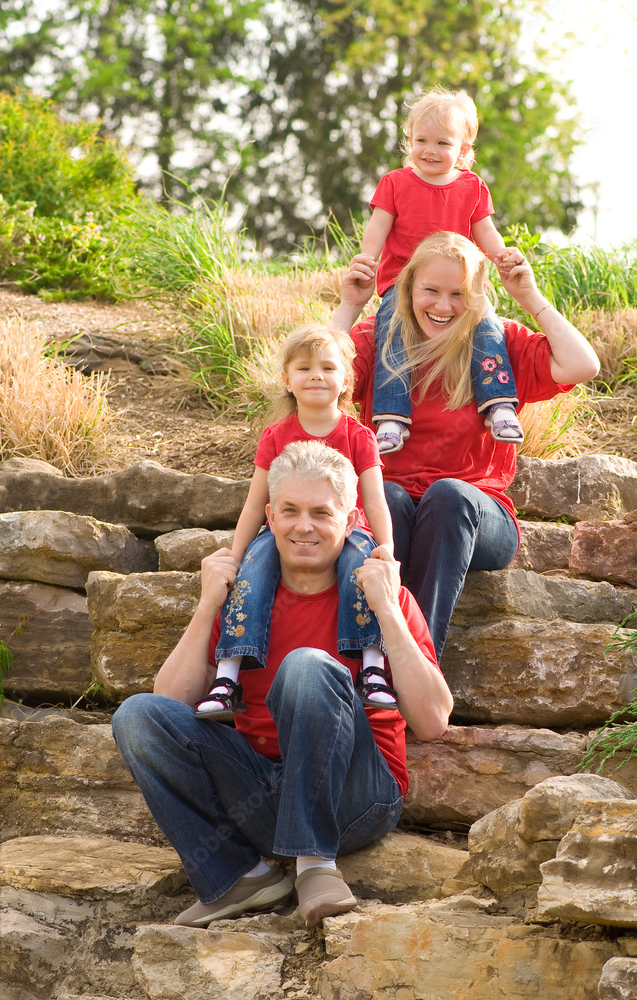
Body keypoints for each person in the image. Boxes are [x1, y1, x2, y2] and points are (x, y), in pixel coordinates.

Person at [111, 440, 453, 929]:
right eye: (290, 511)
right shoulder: (243, 602)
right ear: (269, 516)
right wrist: (208, 603)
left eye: (321, 512)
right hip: (263, 791)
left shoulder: (382, 594)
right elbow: (169, 709)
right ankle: (238, 878)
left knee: (307, 666)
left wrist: (389, 612)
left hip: (356, 797)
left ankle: (315, 865)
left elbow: (433, 721)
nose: (304, 526)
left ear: (352, 518)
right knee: (136, 716)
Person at [332, 231, 600, 661]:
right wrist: (350, 304)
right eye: (431, 291)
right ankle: (370, 667)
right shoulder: (380, 340)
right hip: (395, 512)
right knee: (391, 497)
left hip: (477, 517)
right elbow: (319, 378)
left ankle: (415, 664)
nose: (443, 306)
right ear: (408, 287)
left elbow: (583, 364)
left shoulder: (496, 346)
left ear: (477, 296)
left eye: (458, 294)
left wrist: (529, 296)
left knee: (447, 495)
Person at [194, 323, 398, 718]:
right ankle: (228, 676)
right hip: (282, 533)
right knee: (253, 570)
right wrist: (237, 555)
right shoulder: (276, 436)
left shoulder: (359, 437)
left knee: (361, 565)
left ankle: (373, 667)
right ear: (287, 380)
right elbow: (256, 506)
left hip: (349, 531)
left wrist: (385, 547)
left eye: (327, 367)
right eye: (304, 368)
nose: (316, 375)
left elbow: (374, 501)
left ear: (345, 381)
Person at [361, 86, 525, 454]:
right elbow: (377, 227)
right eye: (421, 140)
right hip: (404, 284)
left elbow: (485, 231)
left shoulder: (472, 187)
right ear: (409, 140)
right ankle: (391, 415)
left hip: (458, 284)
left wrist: (501, 255)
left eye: (442, 143)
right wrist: (367, 261)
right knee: (390, 328)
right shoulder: (395, 183)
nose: (430, 151)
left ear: (463, 150)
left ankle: (498, 403)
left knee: (487, 323)